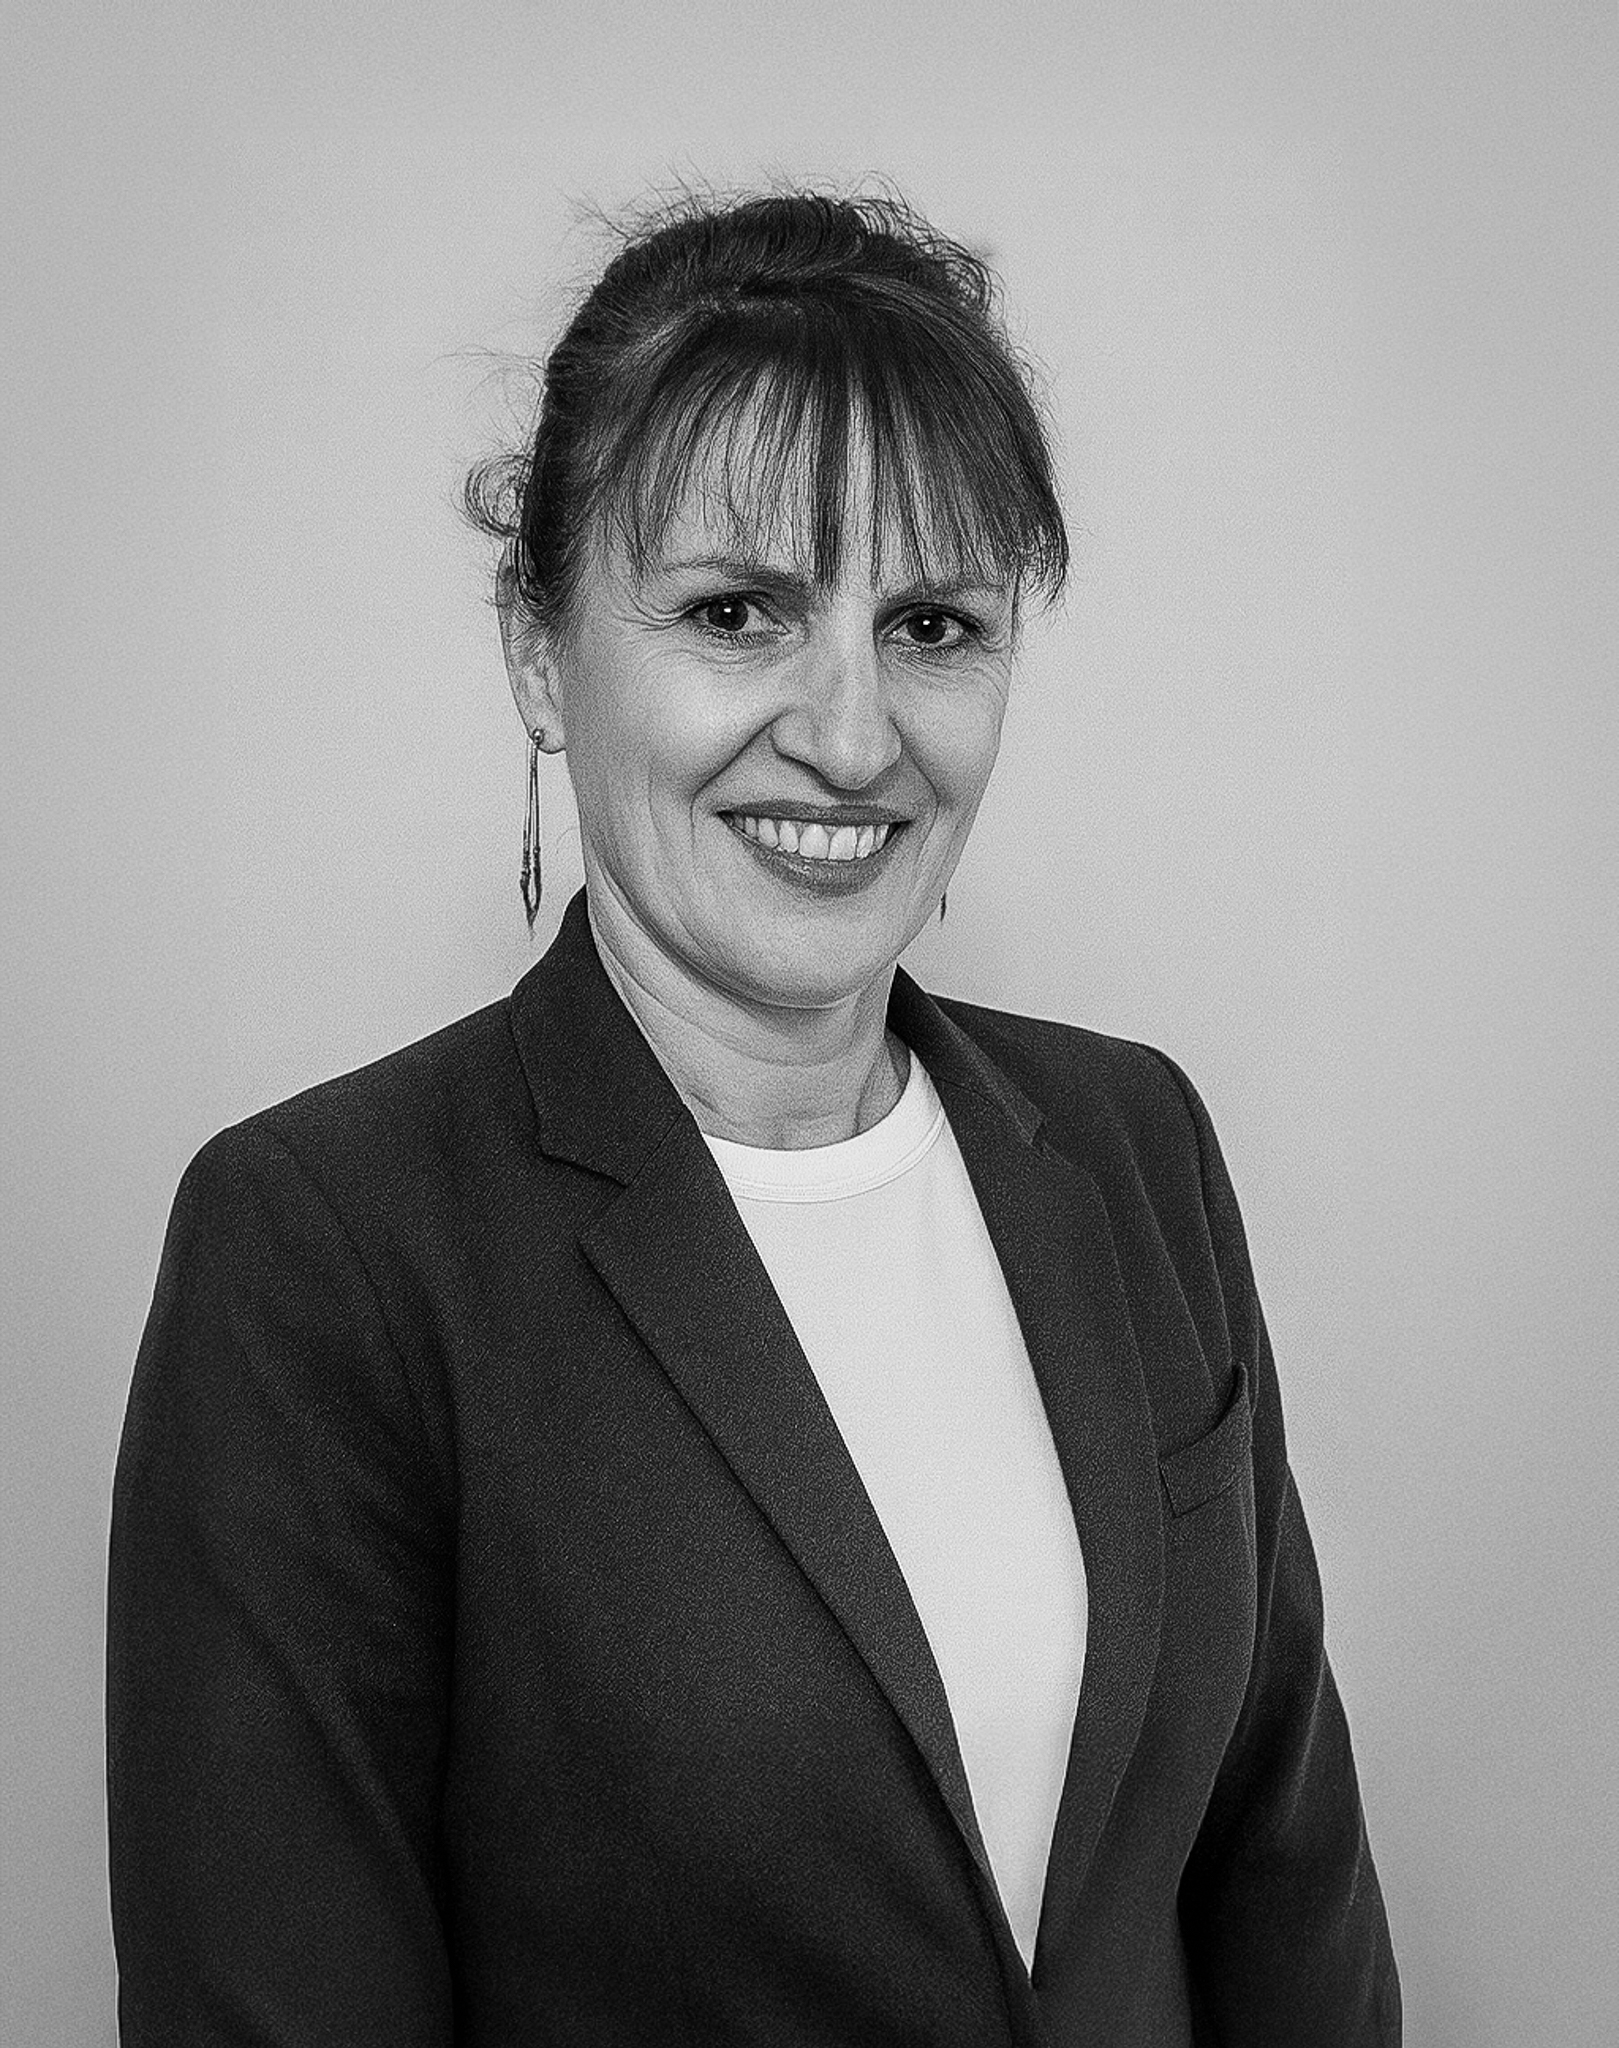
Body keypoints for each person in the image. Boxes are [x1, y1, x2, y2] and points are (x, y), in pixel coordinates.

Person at [107, 189, 1400, 2046]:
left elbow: (1289, 1888)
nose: (854, 738)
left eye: (932, 624)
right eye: (737, 613)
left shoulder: (1134, 1146)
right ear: (538, 645)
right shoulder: (325, 1252)